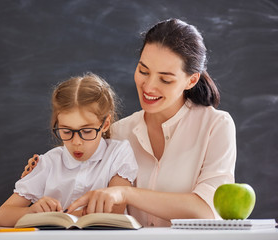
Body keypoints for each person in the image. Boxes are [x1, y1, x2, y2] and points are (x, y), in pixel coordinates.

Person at [21, 18, 236, 227]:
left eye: (165, 79)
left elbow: (206, 210)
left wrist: (125, 193)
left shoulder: (215, 126)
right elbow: (79, 183)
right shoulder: (118, 132)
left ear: (192, 80)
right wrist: (42, 172)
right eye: (143, 71)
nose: (149, 86)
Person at [0, 73, 138, 227]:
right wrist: (31, 213)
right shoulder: (49, 162)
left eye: (87, 131)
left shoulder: (119, 153)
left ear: (105, 124)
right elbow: (2, 216)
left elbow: (114, 210)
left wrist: (55, 216)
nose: (76, 142)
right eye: (67, 131)